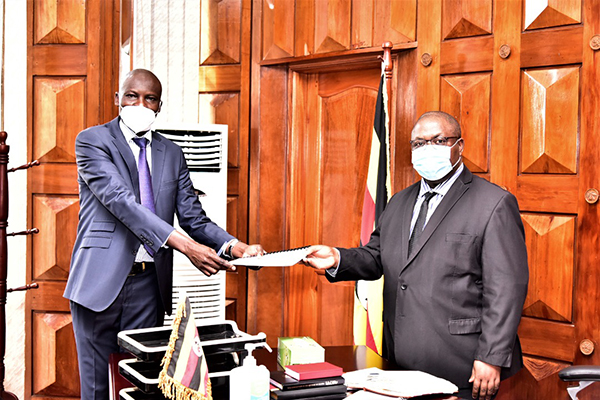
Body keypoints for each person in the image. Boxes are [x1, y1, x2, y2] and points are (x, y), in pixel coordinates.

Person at [64, 68, 264, 399]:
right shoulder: (92, 141)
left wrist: (234, 246)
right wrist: (186, 247)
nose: (140, 105)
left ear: (159, 105)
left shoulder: (171, 153)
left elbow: (193, 217)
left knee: (141, 386)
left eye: (150, 99)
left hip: (148, 285)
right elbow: (121, 202)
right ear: (118, 98)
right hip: (99, 282)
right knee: (98, 387)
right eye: (132, 96)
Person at [303, 111, 529, 400]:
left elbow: (506, 289)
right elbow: (377, 256)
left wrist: (491, 356)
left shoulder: (494, 203)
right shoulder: (399, 201)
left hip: (463, 364)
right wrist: (337, 258)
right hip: (399, 363)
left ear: (459, 145)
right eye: (419, 143)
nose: (427, 149)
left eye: (438, 140)